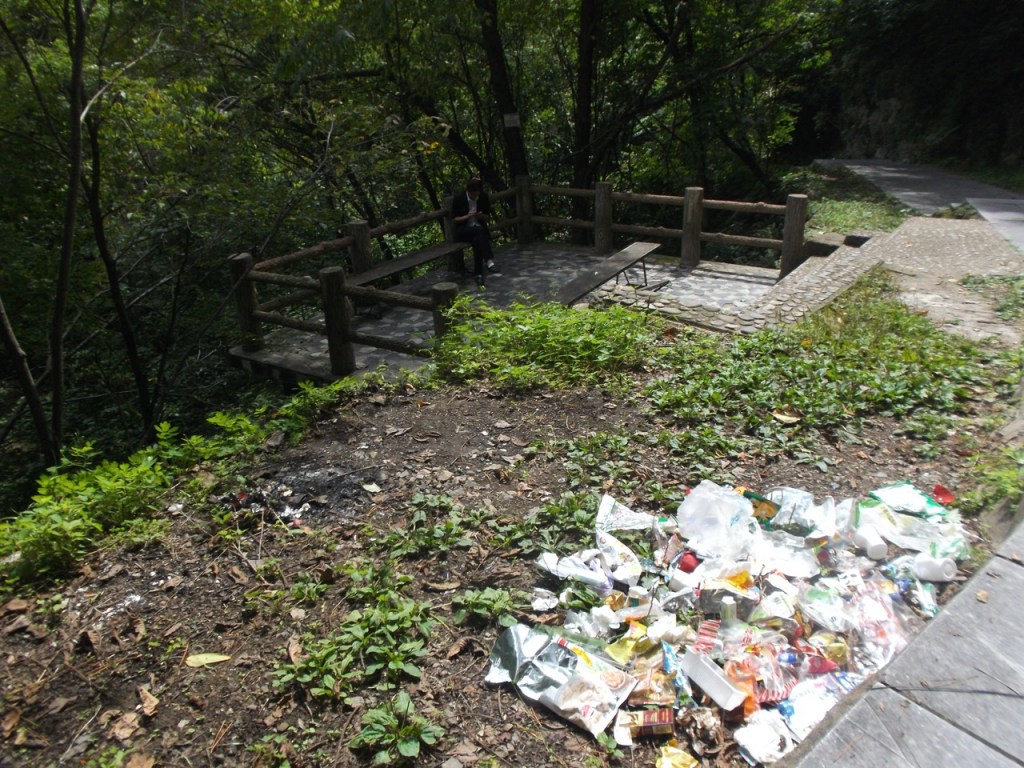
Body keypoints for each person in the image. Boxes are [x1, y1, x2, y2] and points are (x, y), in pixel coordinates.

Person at [452, 176, 500, 287]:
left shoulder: (483, 197)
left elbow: (487, 217)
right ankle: (489, 260)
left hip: (478, 230)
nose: (476, 196)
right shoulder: (459, 198)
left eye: (478, 193)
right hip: (463, 230)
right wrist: (467, 216)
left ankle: (478, 275)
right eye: (474, 194)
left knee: (477, 239)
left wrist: (479, 215)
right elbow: (454, 219)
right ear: (468, 191)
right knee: (479, 232)